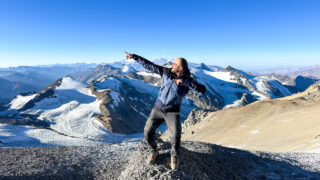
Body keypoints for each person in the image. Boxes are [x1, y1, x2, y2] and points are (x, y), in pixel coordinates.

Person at [124, 51, 206, 170]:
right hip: (157, 108)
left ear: (180, 68)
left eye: (174, 64)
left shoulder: (188, 80)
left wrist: (185, 83)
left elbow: (202, 89)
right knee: (148, 131)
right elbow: (150, 65)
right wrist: (135, 57)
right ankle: (154, 151)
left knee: (175, 137)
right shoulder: (166, 72)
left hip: (172, 112)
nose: (172, 65)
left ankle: (175, 156)